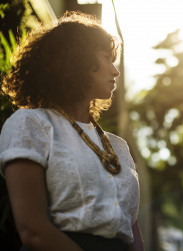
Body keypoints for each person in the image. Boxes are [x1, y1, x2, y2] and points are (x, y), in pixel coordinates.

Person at [0, 11, 143, 251]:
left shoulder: (119, 146)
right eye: (107, 58)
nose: (115, 71)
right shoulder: (30, 124)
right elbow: (33, 231)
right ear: (78, 60)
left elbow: (131, 228)